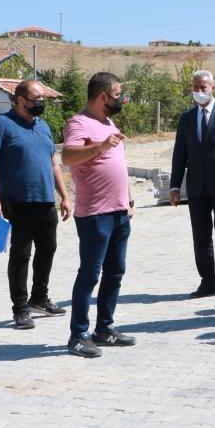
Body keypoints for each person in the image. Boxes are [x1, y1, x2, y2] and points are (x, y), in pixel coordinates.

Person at [0, 79, 71, 330]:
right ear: (21, 100)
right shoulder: (1, 125)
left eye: (43, 97)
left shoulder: (43, 126)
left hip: (45, 201)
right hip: (17, 203)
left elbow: (53, 163)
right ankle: (20, 308)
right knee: (20, 256)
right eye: (37, 98)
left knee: (47, 250)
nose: (41, 102)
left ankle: (39, 299)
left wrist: (64, 195)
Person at [61, 72, 136, 358]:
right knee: (90, 275)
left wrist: (127, 199)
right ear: (103, 96)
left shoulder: (109, 121)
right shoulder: (78, 122)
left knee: (115, 272)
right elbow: (68, 156)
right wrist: (101, 146)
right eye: (118, 95)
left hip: (119, 212)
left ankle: (104, 329)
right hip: (95, 214)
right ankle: (78, 336)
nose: (121, 99)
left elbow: (118, 164)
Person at [170, 70, 215, 298]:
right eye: (195, 87)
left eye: (203, 87)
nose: (199, 91)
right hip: (196, 186)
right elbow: (179, 154)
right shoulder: (187, 117)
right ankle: (208, 282)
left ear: (213, 88)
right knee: (200, 236)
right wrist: (174, 186)